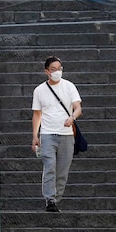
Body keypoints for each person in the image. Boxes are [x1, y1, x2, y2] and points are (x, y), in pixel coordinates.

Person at [31, 57, 82, 212]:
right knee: (49, 167)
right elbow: (37, 114)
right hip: (47, 134)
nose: (57, 71)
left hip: (66, 135)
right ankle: (50, 200)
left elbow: (78, 108)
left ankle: (56, 197)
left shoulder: (69, 86)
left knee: (62, 171)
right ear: (47, 71)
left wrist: (72, 118)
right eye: (53, 69)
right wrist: (35, 135)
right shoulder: (39, 90)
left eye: (59, 68)